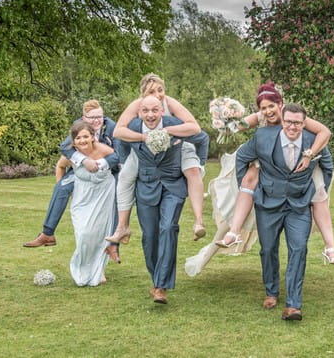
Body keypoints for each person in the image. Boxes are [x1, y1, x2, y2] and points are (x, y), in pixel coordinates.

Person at [184, 82, 334, 278]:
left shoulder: (294, 118)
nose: (268, 111)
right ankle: (234, 231)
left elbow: (325, 132)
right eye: (263, 108)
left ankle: (330, 246)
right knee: (249, 179)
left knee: (318, 192)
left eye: (271, 106)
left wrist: (309, 154)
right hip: (267, 156)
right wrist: (227, 120)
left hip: (304, 156)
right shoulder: (260, 118)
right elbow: (239, 127)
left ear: (280, 104)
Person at [236, 103, 334, 320]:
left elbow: (327, 166)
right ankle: (271, 291)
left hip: (299, 206)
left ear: (303, 123)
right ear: (282, 120)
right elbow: (242, 157)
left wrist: (318, 193)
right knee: (268, 249)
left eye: (298, 123)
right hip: (268, 204)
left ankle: (293, 304)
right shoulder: (262, 137)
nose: (293, 126)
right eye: (289, 121)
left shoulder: (313, 141)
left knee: (299, 249)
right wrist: (246, 187)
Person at [116, 96, 208, 304]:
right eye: (146, 110)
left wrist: (167, 132)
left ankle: (161, 286)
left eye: (155, 110)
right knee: (150, 237)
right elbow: (118, 136)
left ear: (162, 111)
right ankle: (156, 278)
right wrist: (139, 141)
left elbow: (197, 131)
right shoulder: (133, 127)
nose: (150, 115)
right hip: (146, 187)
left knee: (168, 227)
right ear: (139, 112)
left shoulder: (174, 124)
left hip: (172, 186)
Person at [108, 73, 207, 246]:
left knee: (193, 171)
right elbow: (118, 131)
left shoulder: (170, 103)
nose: (158, 94)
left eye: (160, 90)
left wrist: (168, 131)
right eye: (152, 91)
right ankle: (122, 226)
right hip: (144, 150)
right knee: (125, 177)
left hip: (177, 146)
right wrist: (143, 137)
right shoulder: (137, 105)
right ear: (143, 95)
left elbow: (194, 127)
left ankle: (198, 221)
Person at [23, 100, 121, 262]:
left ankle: (113, 245)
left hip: (110, 171)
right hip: (81, 171)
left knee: (117, 199)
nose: (97, 121)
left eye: (100, 117)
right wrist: (83, 161)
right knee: (61, 187)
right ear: (84, 118)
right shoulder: (78, 126)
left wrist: (98, 164)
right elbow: (64, 147)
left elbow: (118, 155)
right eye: (92, 117)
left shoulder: (112, 127)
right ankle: (47, 234)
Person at [55, 121, 119, 286]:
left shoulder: (103, 150)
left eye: (85, 136)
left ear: (92, 137)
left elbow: (118, 161)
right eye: (78, 138)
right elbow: (60, 167)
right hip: (81, 196)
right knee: (83, 234)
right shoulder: (71, 155)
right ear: (73, 141)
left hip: (104, 194)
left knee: (99, 233)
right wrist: (61, 187)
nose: (82, 140)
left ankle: (99, 270)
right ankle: (82, 268)